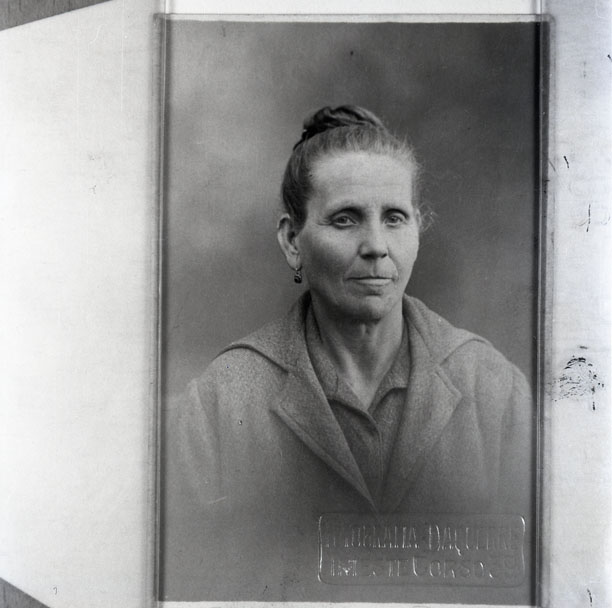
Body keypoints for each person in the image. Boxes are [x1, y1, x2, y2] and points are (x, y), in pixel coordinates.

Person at [160, 105, 535, 603]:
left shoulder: (493, 390)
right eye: (345, 219)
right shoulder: (220, 402)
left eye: (395, 218)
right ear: (292, 241)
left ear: (418, 230)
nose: (376, 245)